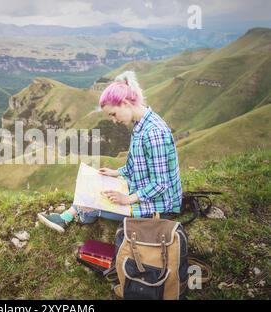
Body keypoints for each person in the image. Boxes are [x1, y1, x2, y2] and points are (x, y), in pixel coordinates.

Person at [38, 71, 182, 233]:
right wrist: (116, 172)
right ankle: (69, 216)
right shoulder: (141, 125)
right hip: (143, 192)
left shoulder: (153, 133)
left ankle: (75, 216)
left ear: (126, 102)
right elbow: (138, 165)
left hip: (159, 207)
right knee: (95, 183)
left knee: (92, 204)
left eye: (113, 114)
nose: (114, 120)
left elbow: (160, 184)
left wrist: (127, 199)